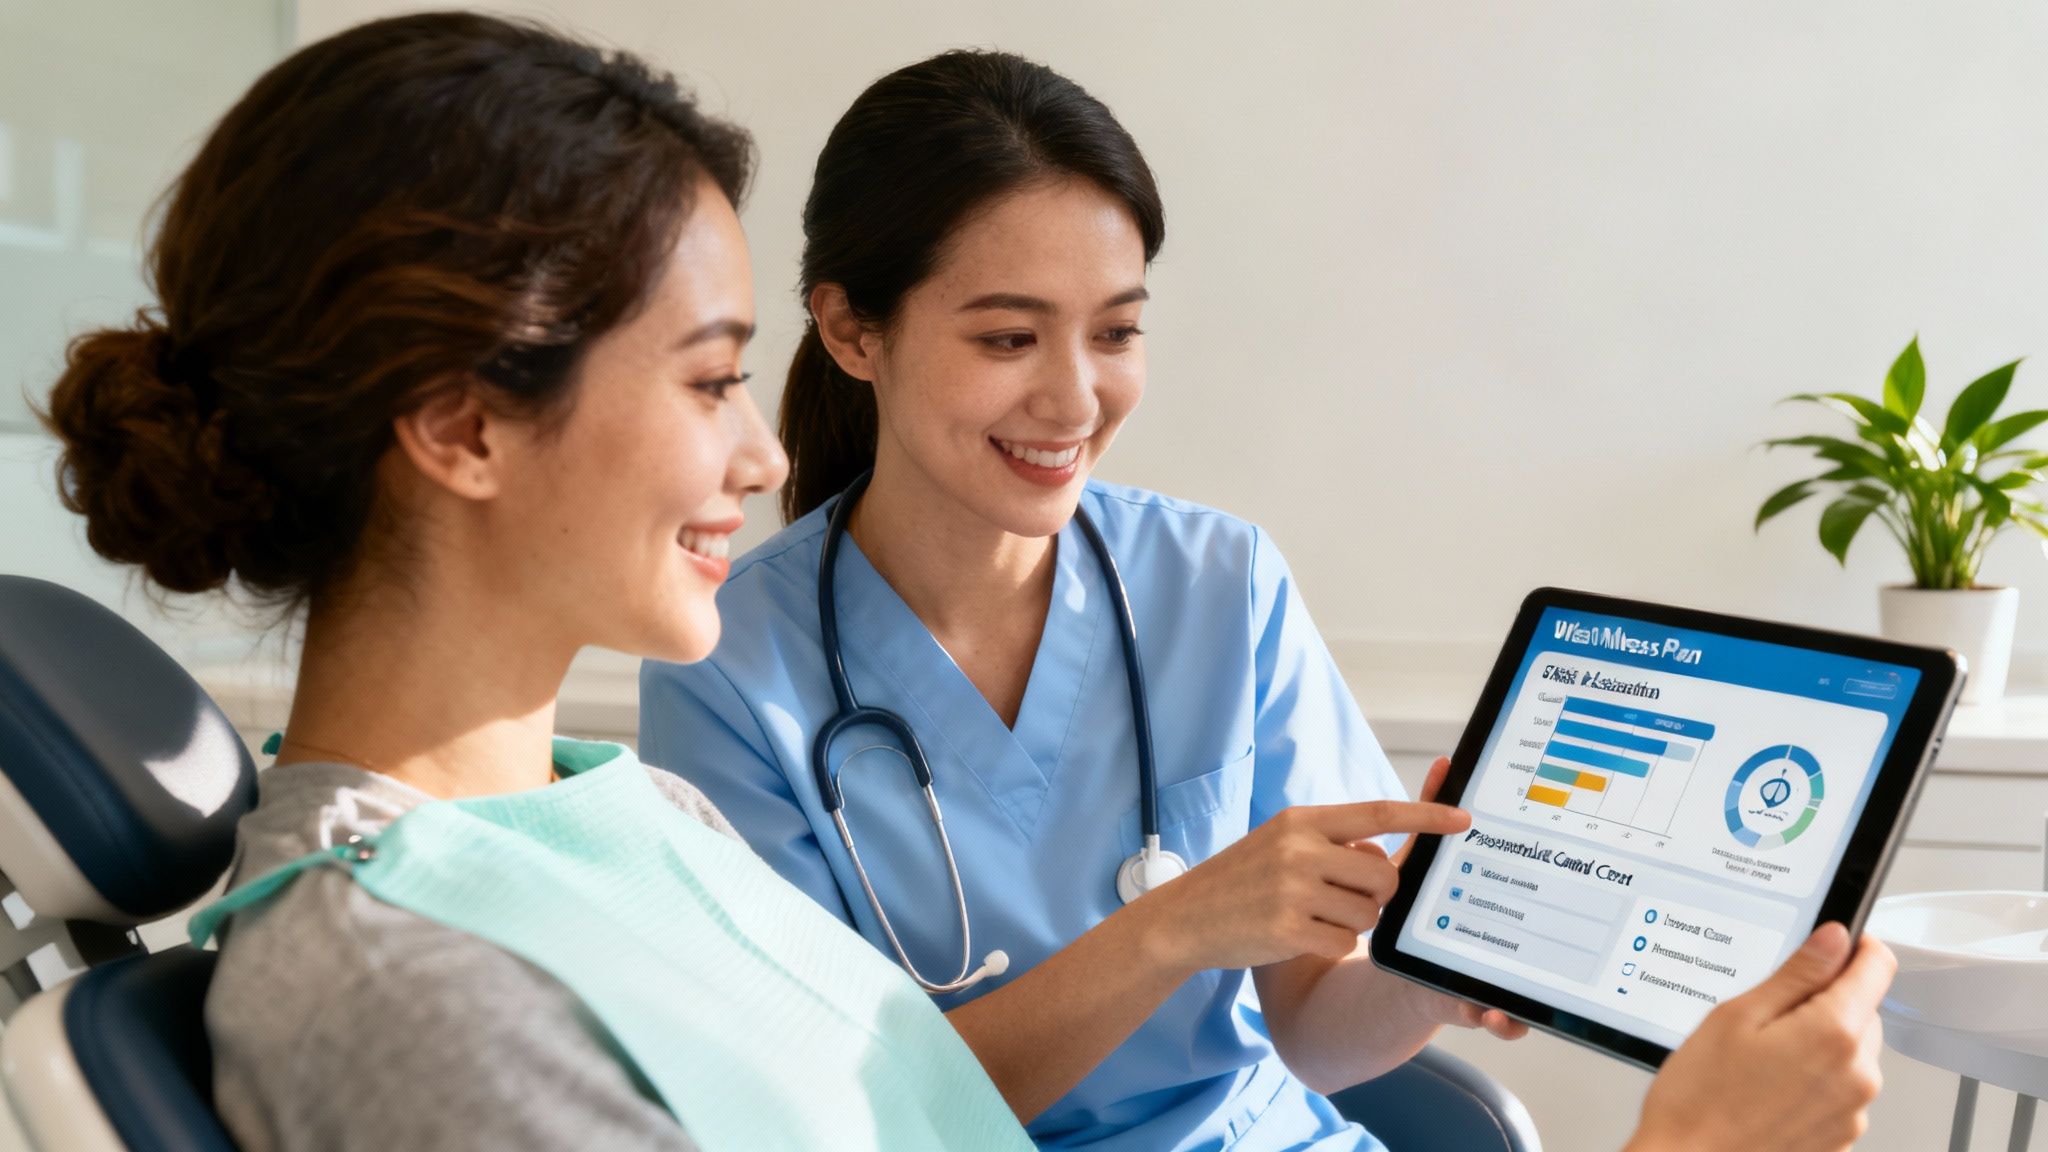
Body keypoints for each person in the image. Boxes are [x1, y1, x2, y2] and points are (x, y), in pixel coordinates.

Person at [638, 50, 1896, 1152]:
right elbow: (838, 1117)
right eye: (1008, 340)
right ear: (853, 331)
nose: (1075, 401)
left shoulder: (1219, 582)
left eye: (1116, 333)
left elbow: (1308, 1036)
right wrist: (1171, 929)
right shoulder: (725, 664)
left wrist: (1433, 965)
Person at [39, 14, 1035, 1151]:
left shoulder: (636, 807)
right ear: (464, 428)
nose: (765, 460)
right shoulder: (403, 989)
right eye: (711, 380)